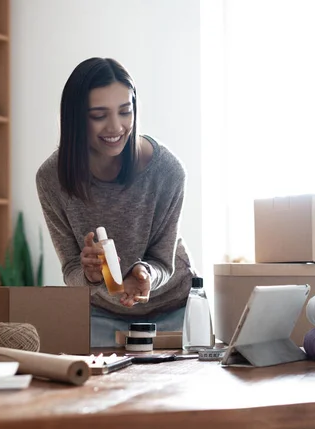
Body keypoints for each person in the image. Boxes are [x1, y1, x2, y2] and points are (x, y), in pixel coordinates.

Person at [36, 57, 197, 347]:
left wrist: (145, 273)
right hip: (103, 314)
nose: (116, 127)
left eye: (125, 111)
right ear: (75, 118)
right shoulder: (51, 180)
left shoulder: (167, 171)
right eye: (99, 115)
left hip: (174, 308)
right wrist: (88, 273)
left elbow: (163, 261)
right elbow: (71, 269)